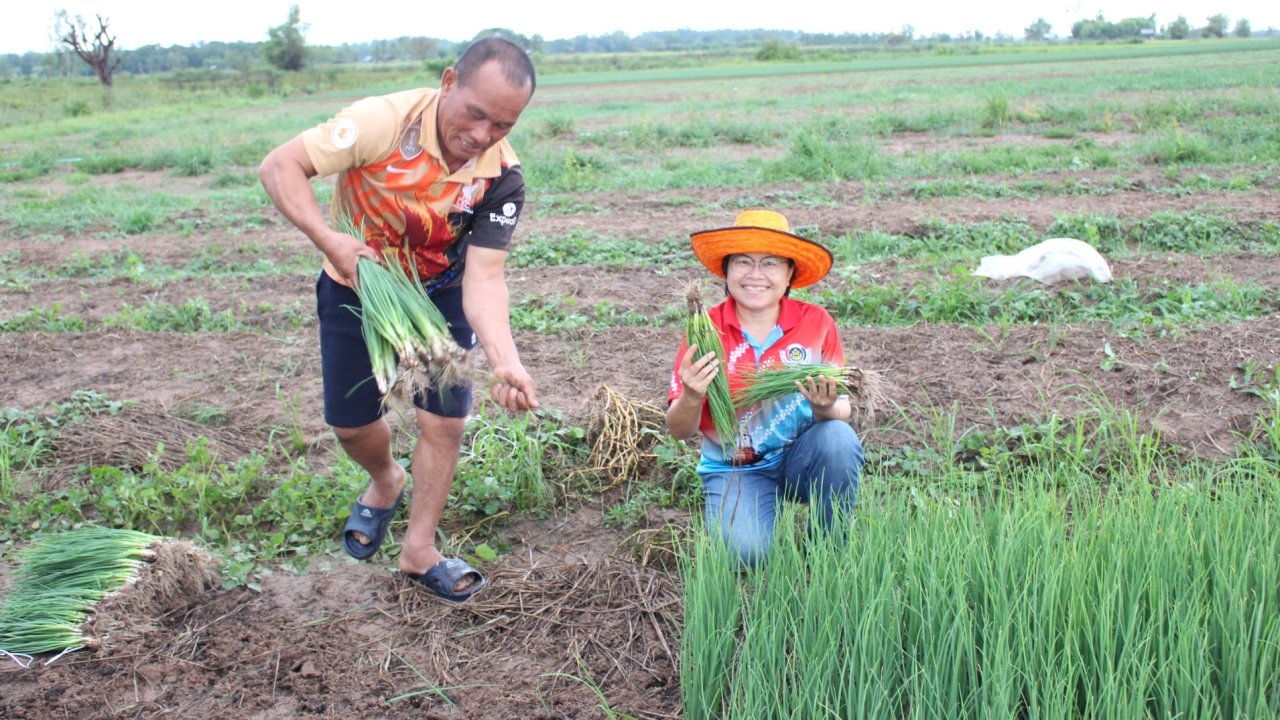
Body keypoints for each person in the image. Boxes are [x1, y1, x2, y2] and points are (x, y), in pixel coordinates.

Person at [258, 37, 538, 602]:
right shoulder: (379, 124)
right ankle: (386, 478)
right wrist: (330, 240)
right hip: (357, 285)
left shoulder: (501, 177)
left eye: (502, 125)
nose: (482, 135)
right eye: (476, 114)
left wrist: (507, 362)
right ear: (448, 81)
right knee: (351, 425)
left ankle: (420, 548)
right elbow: (280, 165)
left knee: (444, 421)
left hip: (440, 292)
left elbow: (484, 279)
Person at [666, 209, 864, 567]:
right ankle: (751, 518)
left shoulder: (816, 323)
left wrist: (823, 408)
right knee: (747, 555)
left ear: (790, 274)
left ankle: (826, 553)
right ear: (726, 272)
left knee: (838, 438)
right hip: (735, 467)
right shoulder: (705, 329)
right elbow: (679, 430)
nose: (756, 275)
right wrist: (692, 396)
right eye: (743, 262)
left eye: (770, 263)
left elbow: (842, 411)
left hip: (799, 457)